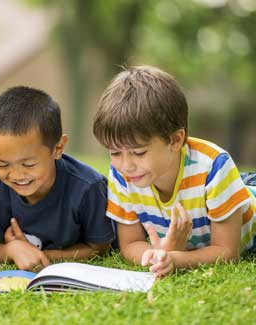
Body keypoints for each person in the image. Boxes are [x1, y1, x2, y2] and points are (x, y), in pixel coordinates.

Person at [92, 65, 256, 277]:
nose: (126, 165)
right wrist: (159, 256)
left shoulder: (213, 167)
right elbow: (130, 244)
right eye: (114, 153)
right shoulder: (122, 175)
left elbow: (227, 252)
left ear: (176, 140)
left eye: (139, 153)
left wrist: (175, 259)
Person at [0, 86, 114, 271]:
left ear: (58, 148)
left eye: (28, 165)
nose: (16, 175)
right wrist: (12, 250)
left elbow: (99, 249)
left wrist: (40, 255)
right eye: (3, 164)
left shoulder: (88, 187)